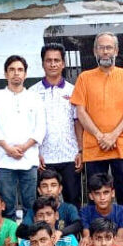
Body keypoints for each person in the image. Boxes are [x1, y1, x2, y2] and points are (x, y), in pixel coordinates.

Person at [70, 32, 123, 207]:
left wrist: (113, 135)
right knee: (96, 197)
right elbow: (81, 111)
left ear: (116, 51)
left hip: (122, 146)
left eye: (109, 47)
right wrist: (100, 136)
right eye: (101, 48)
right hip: (94, 146)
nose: (105, 52)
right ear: (95, 51)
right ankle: (98, 225)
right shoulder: (84, 78)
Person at [0, 55, 45, 220]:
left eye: (20, 70)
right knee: (7, 205)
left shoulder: (35, 97)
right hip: (4, 160)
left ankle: (30, 234)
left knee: (30, 205)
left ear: (25, 74)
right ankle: (10, 235)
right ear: (5, 74)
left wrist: (24, 147)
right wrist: (8, 148)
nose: (16, 73)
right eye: (12, 70)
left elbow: (40, 128)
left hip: (29, 159)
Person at [30, 43, 83, 208]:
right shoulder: (32, 92)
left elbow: (78, 122)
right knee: (44, 205)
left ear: (63, 63)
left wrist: (81, 151)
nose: (53, 64)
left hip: (70, 156)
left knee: (73, 202)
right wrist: (35, 153)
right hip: (44, 158)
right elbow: (29, 126)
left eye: (57, 60)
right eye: (49, 60)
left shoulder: (74, 91)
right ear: (42, 63)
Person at [14, 196, 79, 246]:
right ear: (35, 219)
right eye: (40, 215)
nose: (45, 219)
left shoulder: (69, 239)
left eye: (49, 214)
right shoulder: (26, 242)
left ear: (56, 215)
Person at [17, 169, 82, 240]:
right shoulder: (33, 209)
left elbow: (78, 225)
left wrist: (61, 232)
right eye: (44, 186)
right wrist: (41, 233)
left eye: (53, 185)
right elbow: (20, 231)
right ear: (39, 190)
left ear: (60, 189)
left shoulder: (69, 208)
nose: (49, 189)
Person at [79, 173, 123, 246]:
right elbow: (87, 239)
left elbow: (120, 242)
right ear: (91, 196)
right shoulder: (85, 212)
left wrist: (96, 241)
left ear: (112, 193)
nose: (102, 198)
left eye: (106, 192)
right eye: (97, 193)